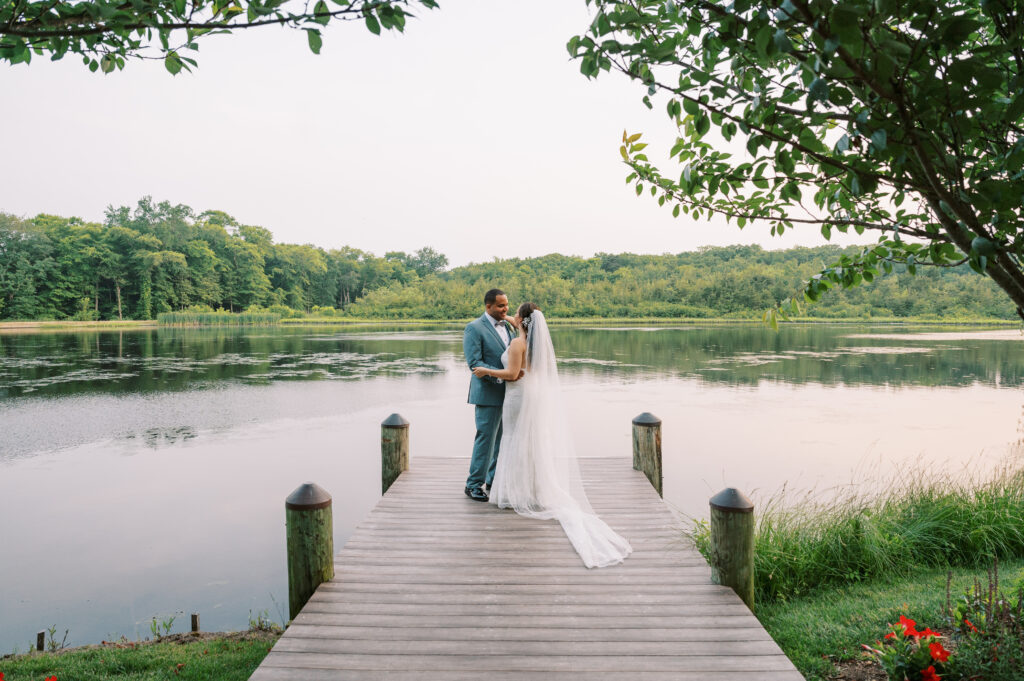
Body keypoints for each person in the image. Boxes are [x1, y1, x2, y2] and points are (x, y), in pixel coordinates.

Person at [472, 303, 632, 568]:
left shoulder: (516, 346)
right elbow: (525, 362)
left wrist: (486, 370)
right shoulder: (536, 346)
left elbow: (512, 375)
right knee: (530, 441)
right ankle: (533, 489)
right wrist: (519, 323)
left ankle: (514, 493)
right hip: (533, 394)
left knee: (513, 439)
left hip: (517, 395)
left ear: (522, 320)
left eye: (516, 314)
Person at [462, 288, 517, 502]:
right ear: (488, 306)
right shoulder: (474, 328)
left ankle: (493, 480)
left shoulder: (509, 328)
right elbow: (474, 363)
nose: (506, 309)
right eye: (501, 306)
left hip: (510, 394)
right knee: (485, 439)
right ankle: (473, 485)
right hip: (487, 393)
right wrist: (502, 377)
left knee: (502, 440)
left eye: (507, 305)